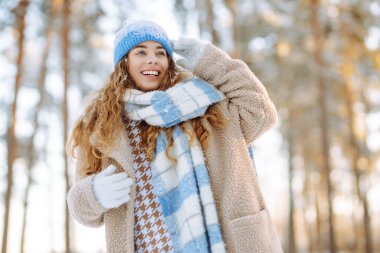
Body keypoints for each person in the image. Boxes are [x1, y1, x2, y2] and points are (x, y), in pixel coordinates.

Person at [67, 20, 283, 253]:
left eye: (160, 52)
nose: (152, 59)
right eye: (141, 52)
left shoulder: (205, 106)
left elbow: (261, 113)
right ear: (124, 63)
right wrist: (94, 194)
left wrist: (210, 59)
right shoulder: (104, 127)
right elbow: (82, 212)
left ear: (169, 63)